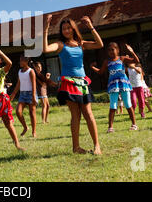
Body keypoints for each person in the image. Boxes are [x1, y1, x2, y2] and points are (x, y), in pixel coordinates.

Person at [43, 15, 102, 155]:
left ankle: (97, 146)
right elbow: (45, 49)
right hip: (68, 82)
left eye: (69, 28)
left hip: (82, 81)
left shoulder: (81, 43)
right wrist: (46, 27)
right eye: (64, 29)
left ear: (73, 29)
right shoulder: (60, 44)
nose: (66, 30)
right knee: (75, 116)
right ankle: (76, 148)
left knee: (88, 113)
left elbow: (100, 44)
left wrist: (91, 26)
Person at [91, 43, 139, 133]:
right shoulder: (107, 62)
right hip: (113, 85)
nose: (110, 52)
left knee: (128, 104)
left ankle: (134, 125)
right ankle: (110, 127)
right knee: (113, 106)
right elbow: (101, 72)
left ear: (117, 50)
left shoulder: (122, 58)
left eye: (112, 49)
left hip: (124, 83)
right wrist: (92, 67)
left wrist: (132, 52)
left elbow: (136, 61)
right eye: (109, 50)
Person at [10, 56, 37, 138]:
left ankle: (34, 132)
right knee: (18, 111)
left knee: (32, 113)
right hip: (22, 94)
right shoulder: (20, 71)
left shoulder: (31, 71)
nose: (20, 62)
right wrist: (13, 94)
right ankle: (25, 127)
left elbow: (34, 84)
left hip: (30, 94)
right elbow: (18, 84)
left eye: (21, 61)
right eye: (20, 61)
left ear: (26, 61)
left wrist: (33, 96)